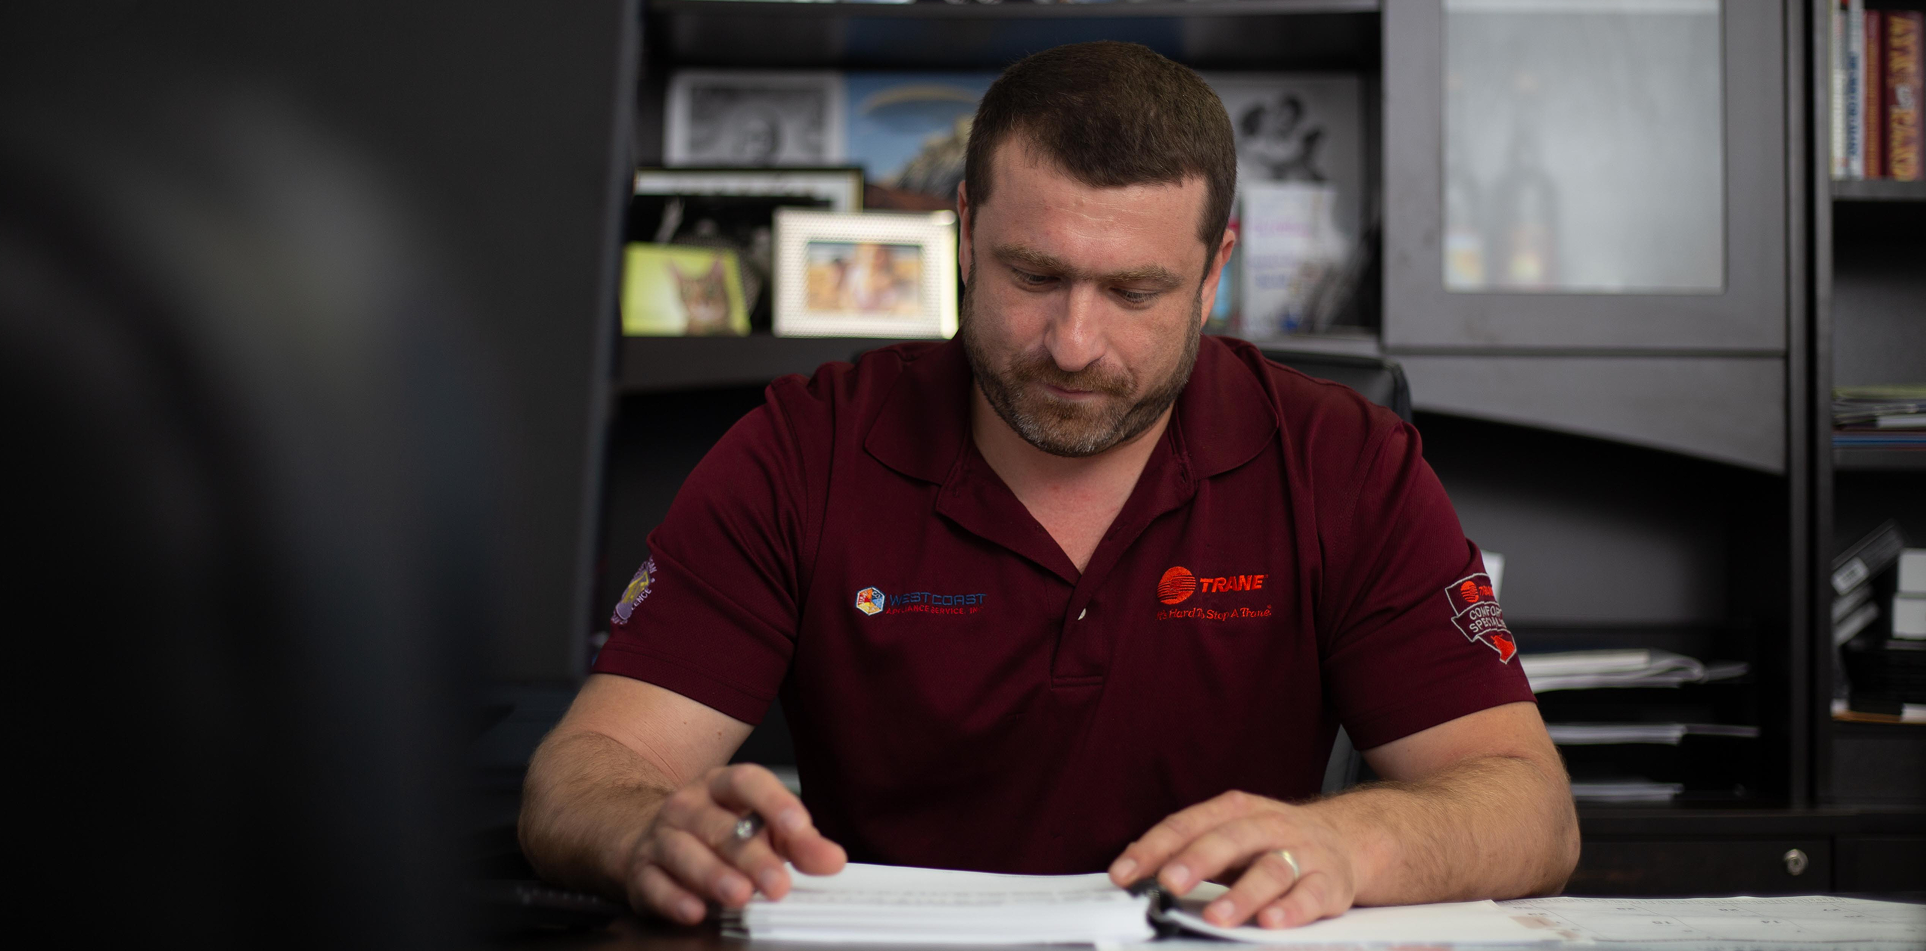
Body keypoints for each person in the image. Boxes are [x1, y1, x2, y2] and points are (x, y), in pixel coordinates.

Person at [521, 41, 1578, 932]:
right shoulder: (806, 448)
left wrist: (1348, 841)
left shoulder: (1342, 459)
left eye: (1135, 291)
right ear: (966, 235)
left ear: (1215, 274)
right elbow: (585, 773)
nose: (1074, 345)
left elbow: (1531, 809)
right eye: (1035, 276)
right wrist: (645, 827)